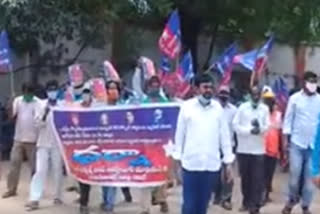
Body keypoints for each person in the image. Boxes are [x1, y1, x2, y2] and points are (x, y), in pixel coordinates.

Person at [172, 73, 234, 214]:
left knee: (202, 206)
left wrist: (228, 162)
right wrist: (177, 160)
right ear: (196, 89)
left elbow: (224, 137)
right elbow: (179, 135)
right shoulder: (186, 107)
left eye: (211, 88)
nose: (209, 90)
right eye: (205, 87)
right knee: (189, 205)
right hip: (191, 164)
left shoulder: (217, 109)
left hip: (211, 165)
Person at [282, 71, 320, 214]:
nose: (313, 84)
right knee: (294, 176)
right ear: (304, 83)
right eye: (310, 81)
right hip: (297, 144)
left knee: (310, 181)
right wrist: (285, 142)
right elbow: (287, 121)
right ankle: (291, 201)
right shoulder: (295, 99)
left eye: (315, 82)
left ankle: (305, 206)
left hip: (314, 147)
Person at [25, 80, 64, 211]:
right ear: (47, 92)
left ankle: (58, 196)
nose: (53, 92)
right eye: (50, 90)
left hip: (57, 144)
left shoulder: (62, 105)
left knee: (57, 170)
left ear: (58, 91)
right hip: (43, 143)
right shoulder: (40, 105)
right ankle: (34, 199)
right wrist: (45, 113)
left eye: (55, 89)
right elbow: (37, 124)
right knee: (40, 171)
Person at [233, 86, 270, 214]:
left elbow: (267, 126)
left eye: (258, 94)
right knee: (245, 178)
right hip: (243, 149)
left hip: (258, 150)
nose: (256, 96)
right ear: (250, 95)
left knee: (257, 179)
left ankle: (255, 206)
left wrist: (260, 130)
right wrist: (249, 131)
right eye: (253, 94)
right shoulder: (242, 108)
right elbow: (235, 125)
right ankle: (246, 201)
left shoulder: (264, 109)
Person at [2, 83, 41, 198]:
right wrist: (10, 103)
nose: (28, 96)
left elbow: (38, 120)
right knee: (14, 165)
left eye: (30, 93)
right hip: (18, 138)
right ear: (23, 92)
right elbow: (11, 116)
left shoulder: (37, 103)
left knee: (34, 168)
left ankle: (35, 192)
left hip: (33, 140)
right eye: (26, 93)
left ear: (32, 93)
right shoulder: (18, 101)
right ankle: (11, 189)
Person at [140, 75, 169, 214]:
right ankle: (145, 208)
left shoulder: (165, 103)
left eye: (157, 85)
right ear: (148, 87)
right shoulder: (143, 103)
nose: (155, 87)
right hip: (147, 145)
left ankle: (162, 200)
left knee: (161, 173)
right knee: (146, 174)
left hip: (161, 145)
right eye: (152, 85)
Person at [213, 85, 237, 210]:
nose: (224, 96)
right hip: (214, 146)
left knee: (229, 174)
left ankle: (227, 199)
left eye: (226, 93)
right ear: (218, 94)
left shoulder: (233, 110)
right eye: (221, 93)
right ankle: (217, 196)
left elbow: (236, 129)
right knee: (215, 173)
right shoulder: (212, 108)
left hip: (229, 146)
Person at [262, 87, 282, 204]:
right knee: (261, 173)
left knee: (269, 173)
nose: (269, 102)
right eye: (267, 100)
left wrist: (281, 149)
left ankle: (267, 194)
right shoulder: (261, 113)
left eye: (270, 100)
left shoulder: (278, 115)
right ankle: (262, 195)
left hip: (273, 149)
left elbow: (280, 133)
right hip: (261, 148)